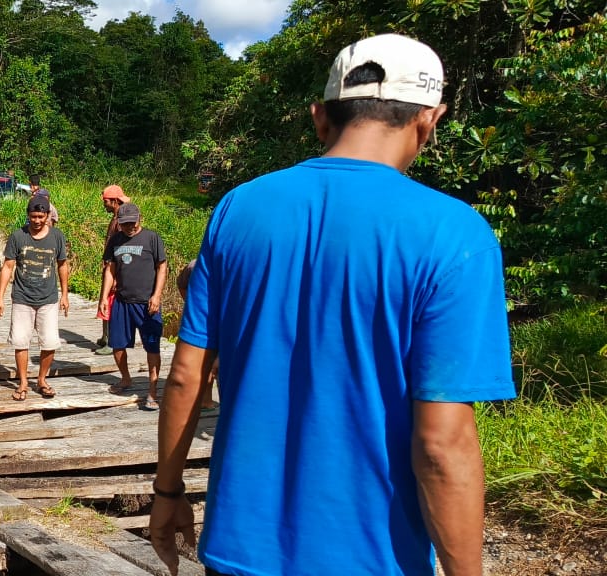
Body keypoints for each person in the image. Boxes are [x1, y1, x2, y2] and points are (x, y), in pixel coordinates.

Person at [149, 34, 515, 576]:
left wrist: (167, 491)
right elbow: (442, 443)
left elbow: (186, 377)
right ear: (430, 120)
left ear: (320, 117)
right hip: (369, 558)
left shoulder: (238, 209)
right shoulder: (453, 233)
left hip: (237, 550)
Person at [0, 196, 70, 400]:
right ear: (28, 216)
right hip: (22, 297)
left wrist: (65, 294)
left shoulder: (57, 237)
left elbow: (62, 265)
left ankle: (42, 379)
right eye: (33, 217)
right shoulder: (18, 236)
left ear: (47, 216)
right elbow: (8, 266)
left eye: (40, 216)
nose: (36, 221)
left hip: (48, 299)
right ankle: (23, 382)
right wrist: (0, 297)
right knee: (21, 341)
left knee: (49, 342)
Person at [99, 202, 168, 410]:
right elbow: (110, 270)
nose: (129, 227)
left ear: (140, 219)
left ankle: (153, 390)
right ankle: (126, 378)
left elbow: (162, 267)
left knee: (152, 345)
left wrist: (157, 295)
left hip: (147, 303)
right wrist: (103, 298)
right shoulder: (116, 240)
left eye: (132, 223)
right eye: (124, 224)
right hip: (122, 301)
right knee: (117, 344)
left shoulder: (151, 238)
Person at [174, 258, 218, 414]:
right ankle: (205, 400)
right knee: (210, 361)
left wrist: (190, 304)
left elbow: (181, 284)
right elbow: (182, 284)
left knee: (208, 360)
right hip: (208, 322)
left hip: (206, 320)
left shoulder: (194, 264)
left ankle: (205, 398)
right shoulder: (195, 265)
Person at [94, 184, 130, 355]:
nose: (104, 204)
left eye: (106, 201)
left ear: (115, 201)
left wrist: (115, 276)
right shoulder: (115, 218)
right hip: (109, 266)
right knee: (105, 300)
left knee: (111, 303)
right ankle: (105, 336)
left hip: (115, 269)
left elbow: (122, 249)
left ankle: (112, 341)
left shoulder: (121, 222)